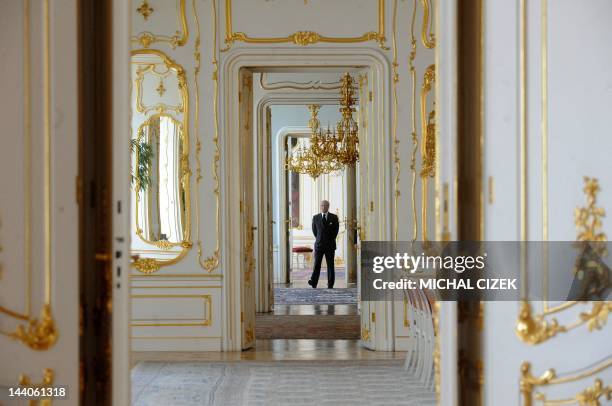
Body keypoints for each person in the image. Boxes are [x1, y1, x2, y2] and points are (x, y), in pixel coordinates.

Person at [308, 200, 339, 289]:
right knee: (317, 264)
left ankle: (330, 284)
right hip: (319, 245)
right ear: (320, 206)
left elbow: (335, 232)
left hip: (330, 245)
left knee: (330, 265)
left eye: (325, 205)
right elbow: (315, 232)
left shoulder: (334, 217)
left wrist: (328, 240)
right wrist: (319, 239)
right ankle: (313, 282)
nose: (323, 207)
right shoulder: (316, 217)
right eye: (322, 205)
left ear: (328, 206)